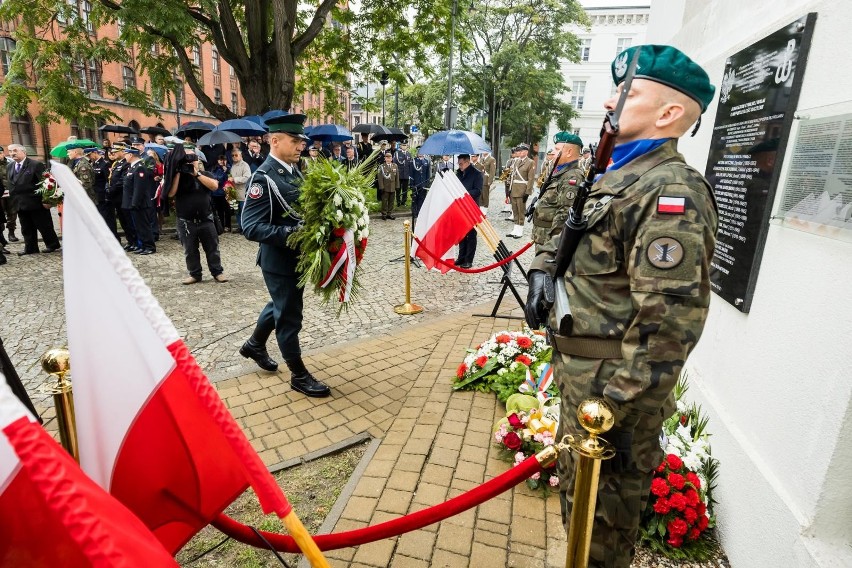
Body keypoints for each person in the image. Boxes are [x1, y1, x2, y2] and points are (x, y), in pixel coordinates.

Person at [523, 45, 718, 568]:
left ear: (669, 113)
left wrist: (611, 408)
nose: (609, 99)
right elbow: (572, 226)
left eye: (625, 91)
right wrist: (544, 266)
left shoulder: (670, 191)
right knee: (579, 519)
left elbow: (670, 324)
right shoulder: (618, 173)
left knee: (601, 535)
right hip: (584, 380)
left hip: (610, 400)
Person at [239, 113, 330, 398]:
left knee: (280, 303)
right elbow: (250, 226)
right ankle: (299, 375)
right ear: (275, 141)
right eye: (295, 141)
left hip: (295, 259)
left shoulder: (294, 171)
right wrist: (295, 233)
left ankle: (254, 344)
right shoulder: (262, 178)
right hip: (279, 261)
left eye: (301, 141)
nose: (301, 145)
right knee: (290, 315)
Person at [167, 145, 229, 284]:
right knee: (190, 250)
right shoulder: (178, 176)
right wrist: (177, 172)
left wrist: (196, 174)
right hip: (185, 221)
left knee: (212, 248)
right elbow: (171, 193)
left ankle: (217, 272)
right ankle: (195, 274)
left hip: (205, 218)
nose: (189, 162)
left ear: (198, 160)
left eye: (192, 158)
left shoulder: (205, 174)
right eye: (186, 159)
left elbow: (214, 186)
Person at [530, 133, 585, 251]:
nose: (553, 152)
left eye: (557, 149)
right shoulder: (560, 172)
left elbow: (565, 213)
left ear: (569, 152)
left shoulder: (572, 176)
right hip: (542, 236)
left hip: (551, 241)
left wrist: (554, 245)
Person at [6, 144, 61, 256]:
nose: (12, 153)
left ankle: (52, 244)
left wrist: (47, 200)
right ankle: (30, 247)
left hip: (36, 202)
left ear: (24, 152)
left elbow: (47, 183)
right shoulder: (10, 166)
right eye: (10, 151)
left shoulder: (36, 165)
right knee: (26, 227)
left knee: (44, 225)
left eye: (15, 150)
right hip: (19, 202)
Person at [123, 146, 157, 255]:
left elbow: (139, 188)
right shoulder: (132, 167)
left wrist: (134, 203)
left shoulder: (139, 168)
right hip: (134, 202)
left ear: (131, 155)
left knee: (143, 226)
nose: (125, 156)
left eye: (126, 154)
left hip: (140, 203)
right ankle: (143, 245)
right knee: (138, 226)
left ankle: (149, 246)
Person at [455, 154, 483, 268]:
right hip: (460, 207)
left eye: (461, 164)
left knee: (471, 235)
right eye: (459, 164)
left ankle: (469, 259)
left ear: (467, 162)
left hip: (471, 207)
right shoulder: (459, 173)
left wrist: (464, 193)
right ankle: (461, 258)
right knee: (461, 234)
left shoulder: (477, 174)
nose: (460, 166)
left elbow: (478, 191)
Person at [507, 143, 535, 238]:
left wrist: (528, 192)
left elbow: (531, 179)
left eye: (522, 151)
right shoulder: (516, 161)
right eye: (519, 151)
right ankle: (515, 228)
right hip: (514, 188)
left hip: (522, 190)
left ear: (526, 152)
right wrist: (509, 189)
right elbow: (512, 176)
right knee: (514, 210)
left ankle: (520, 230)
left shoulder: (530, 162)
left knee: (521, 210)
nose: (520, 152)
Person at [229, 148, 252, 234]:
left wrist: (234, 179)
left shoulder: (245, 165)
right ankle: (240, 226)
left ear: (241, 156)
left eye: (236, 155)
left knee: (243, 212)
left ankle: (245, 228)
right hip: (234, 192)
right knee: (237, 211)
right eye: (232, 155)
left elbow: (247, 177)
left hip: (242, 192)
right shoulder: (233, 166)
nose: (234, 157)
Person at [210, 154, 232, 232]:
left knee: (227, 210)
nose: (222, 162)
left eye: (223, 160)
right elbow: (212, 177)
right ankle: (221, 226)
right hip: (216, 192)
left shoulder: (228, 168)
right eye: (220, 160)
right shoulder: (214, 168)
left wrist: (226, 170)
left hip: (225, 192)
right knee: (219, 210)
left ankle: (228, 225)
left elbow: (228, 179)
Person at [410, 148, 431, 225]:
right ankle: (414, 213)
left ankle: (420, 212)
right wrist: (411, 184)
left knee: (422, 199)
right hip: (416, 184)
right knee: (415, 198)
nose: (420, 153)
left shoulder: (426, 161)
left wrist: (427, 183)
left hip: (423, 184)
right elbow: (411, 173)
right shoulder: (414, 161)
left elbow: (427, 174)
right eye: (419, 152)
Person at [377, 151, 399, 220]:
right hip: (385, 187)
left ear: (392, 158)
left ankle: (389, 213)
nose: (388, 159)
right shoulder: (382, 167)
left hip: (392, 186)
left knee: (391, 201)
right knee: (384, 201)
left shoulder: (395, 165)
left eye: (390, 158)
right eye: (387, 158)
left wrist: (397, 186)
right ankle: (384, 214)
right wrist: (381, 187)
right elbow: (380, 178)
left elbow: (397, 177)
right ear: (385, 159)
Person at [393, 141, 413, 206]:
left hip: (406, 175)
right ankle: (398, 201)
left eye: (405, 145)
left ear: (407, 146)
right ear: (400, 146)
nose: (404, 146)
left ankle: (403, 202)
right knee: (398, 189)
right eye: (403, 145)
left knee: (405, 189)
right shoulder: (397, 154)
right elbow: (394, 164)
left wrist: (410, 174)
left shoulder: (409, 154)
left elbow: (410, 165)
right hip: (399, 174)